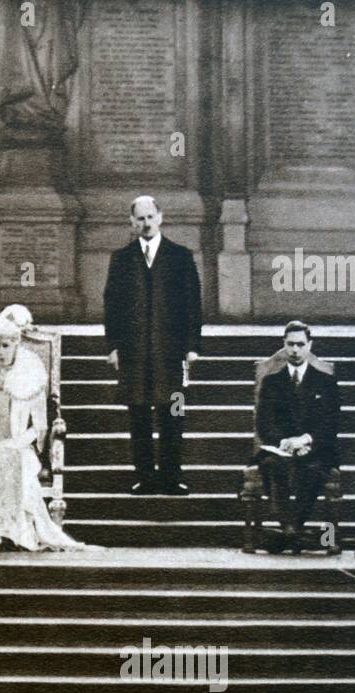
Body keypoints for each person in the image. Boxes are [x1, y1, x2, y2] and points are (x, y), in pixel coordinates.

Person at [0, 309, 84, 552]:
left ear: (15, 345)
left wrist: (19, 442)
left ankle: (10, 530)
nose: (1, 352)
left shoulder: (29, 376)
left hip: (16, 443)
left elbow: (38, 426)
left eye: (5, 346)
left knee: (12, 463)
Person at [102, 195, 202, 495]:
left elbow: (192, 305)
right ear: (132, 222)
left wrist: (192, 345)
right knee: (139, 417)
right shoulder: (121, 258)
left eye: (150, 217)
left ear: (160, 217)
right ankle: (145, 477)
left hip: (170, 352)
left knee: (172, 414)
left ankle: (171, 477)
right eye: (139, 219)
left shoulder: (180, 257)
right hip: (134, 352)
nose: (145, 224)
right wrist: (113, 346)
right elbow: (112, 305)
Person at [253, 321, 340, 552]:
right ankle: (292, 530)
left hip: (314, 448)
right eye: (290, 344)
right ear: (284, 344)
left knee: (314, 470)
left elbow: (330, 424)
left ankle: (290, 530)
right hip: (279, 449)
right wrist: (286, 443)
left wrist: (305, 440)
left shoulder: (326, 381)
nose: (295, 350)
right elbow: (264, 423)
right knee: (273, 465)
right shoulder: (271, 382)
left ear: (309, 345)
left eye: (300, 344)